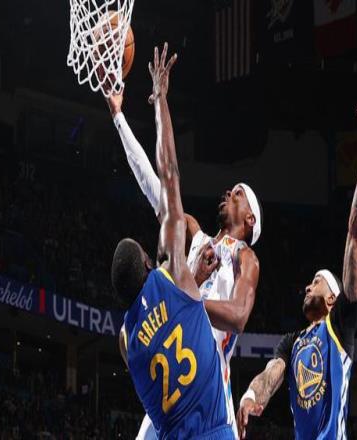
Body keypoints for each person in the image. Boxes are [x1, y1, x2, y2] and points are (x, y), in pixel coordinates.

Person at [108, 48, 262, 440]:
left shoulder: (246, 257)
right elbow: (157, 184)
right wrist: (119, 118)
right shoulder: (195, 235)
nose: (229, 192)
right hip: (174, 381)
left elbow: (239, 316)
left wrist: (186, 300)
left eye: (238, 194)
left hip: (209, 383)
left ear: (250, 220)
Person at [236, 76, 357, 439]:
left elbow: (356, 229)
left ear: (333, 297)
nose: (307, 286)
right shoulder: (291, 342)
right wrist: (253, 395)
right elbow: (271, 374)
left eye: (316, 281)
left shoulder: (341, 323)